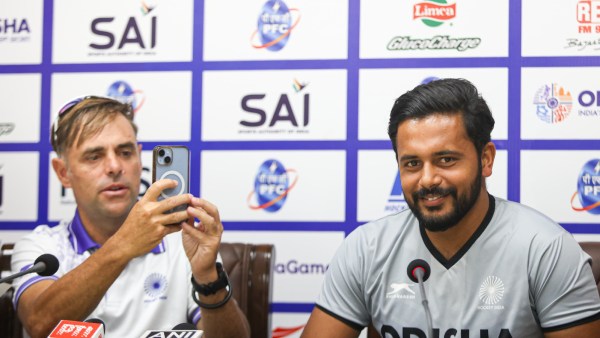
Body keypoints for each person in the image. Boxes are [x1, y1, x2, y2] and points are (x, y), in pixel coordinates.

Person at [301, 78, 600, 338]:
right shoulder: (365, 250)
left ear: (486, 159)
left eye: (446, 159)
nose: (428, 179)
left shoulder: (546, 250)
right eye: (412, 164)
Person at [11, 96, 251, 338]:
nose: (115, 166)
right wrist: (124, 244)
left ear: (138, 158)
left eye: (125, 152)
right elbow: (39, 325)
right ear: (63, 172)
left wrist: (208, 277)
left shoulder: (183, 241)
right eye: (94, 156)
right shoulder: (41, 249)